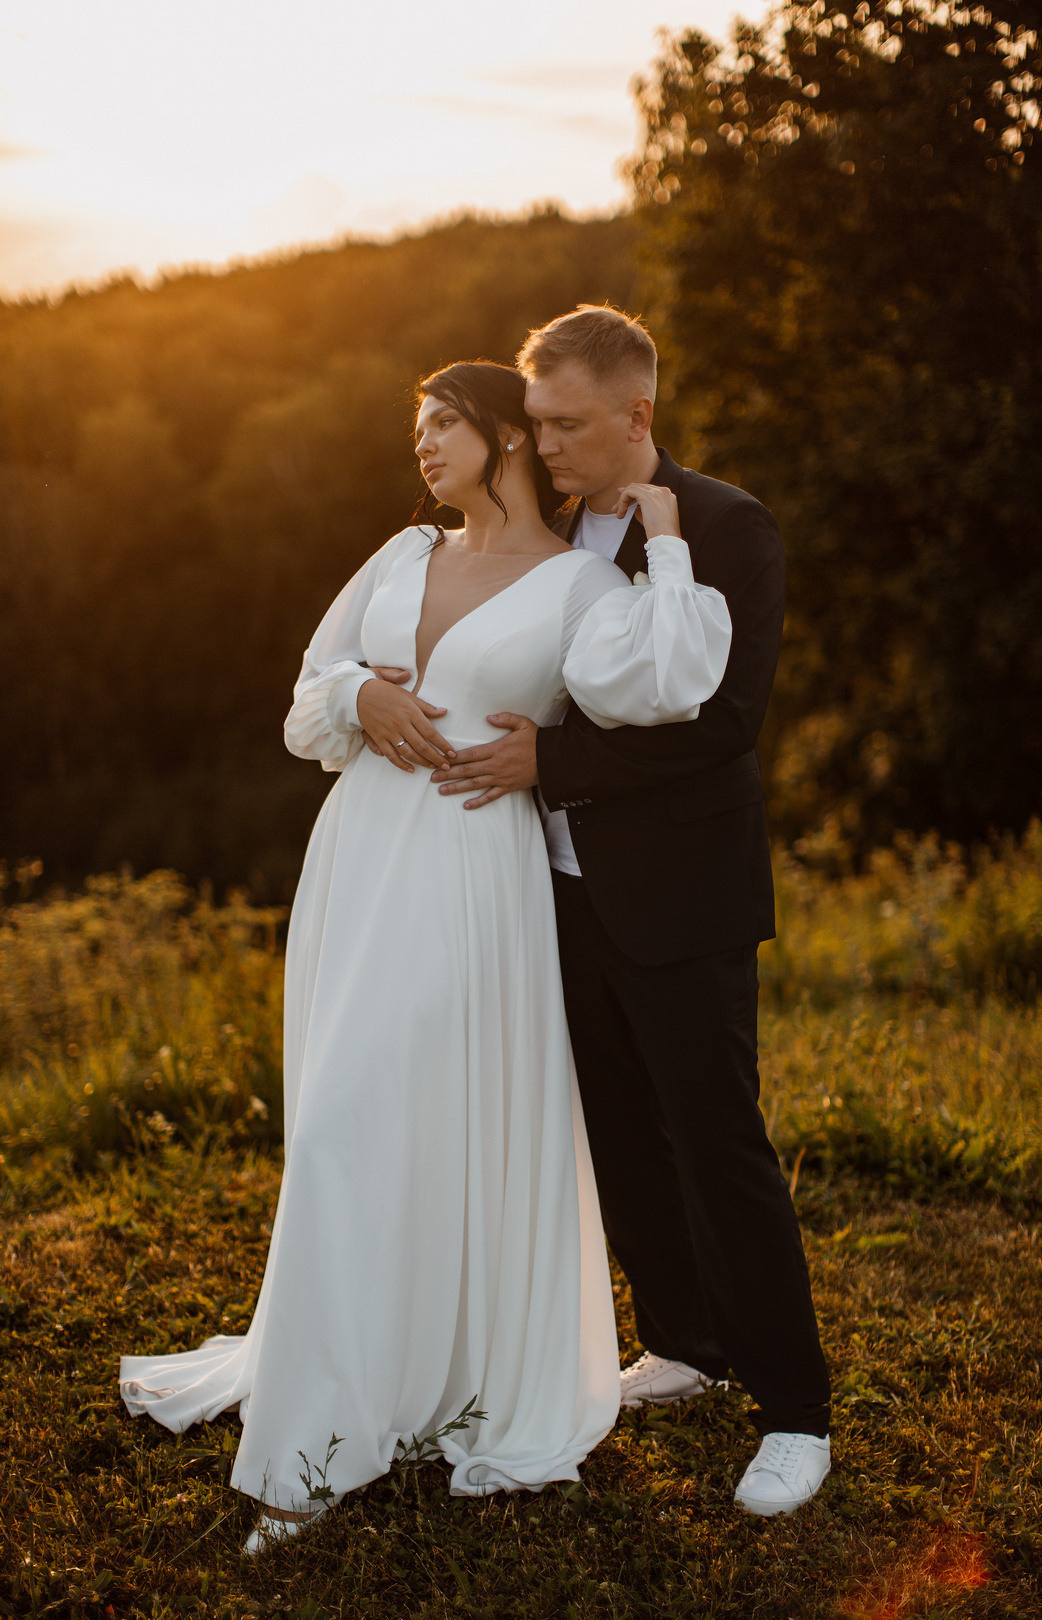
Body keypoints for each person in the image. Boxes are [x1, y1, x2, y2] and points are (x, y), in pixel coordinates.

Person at [118, 360, 733, 1553]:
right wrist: (363, 694)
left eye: (444, 425)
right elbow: (306, 702)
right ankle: (351, 1378)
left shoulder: (576, 587)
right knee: (343, 1117)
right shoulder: (402, 557)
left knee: (402, 1117)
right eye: (420, 429)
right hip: (361, 862)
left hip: (471, 872)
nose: (425, 447)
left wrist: (662, 537)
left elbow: (668, 685)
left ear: (505, 436)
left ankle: (313, 1456)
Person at [417, 308, 833, 1517]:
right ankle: (688, 1343)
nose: (539, 444)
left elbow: (724, 724)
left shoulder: (726, 525)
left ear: (636, 417)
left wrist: (554, 763)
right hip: (549, 888)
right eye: (533, 424)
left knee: (718, 1142)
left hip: (682, 892)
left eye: (563, 424)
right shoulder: (546, 529)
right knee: (615, 1131)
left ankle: (796, 1409)